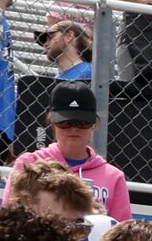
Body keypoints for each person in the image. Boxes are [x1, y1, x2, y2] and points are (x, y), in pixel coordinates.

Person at [16, 83, 128, 219]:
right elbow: (11, 216)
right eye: (65, 122)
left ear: (94, 124)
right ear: (52, 122)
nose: (74, 129)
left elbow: (120, 231)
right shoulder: (29, 163)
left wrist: (100, 218)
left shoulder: (114, 176)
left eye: (82, 123)